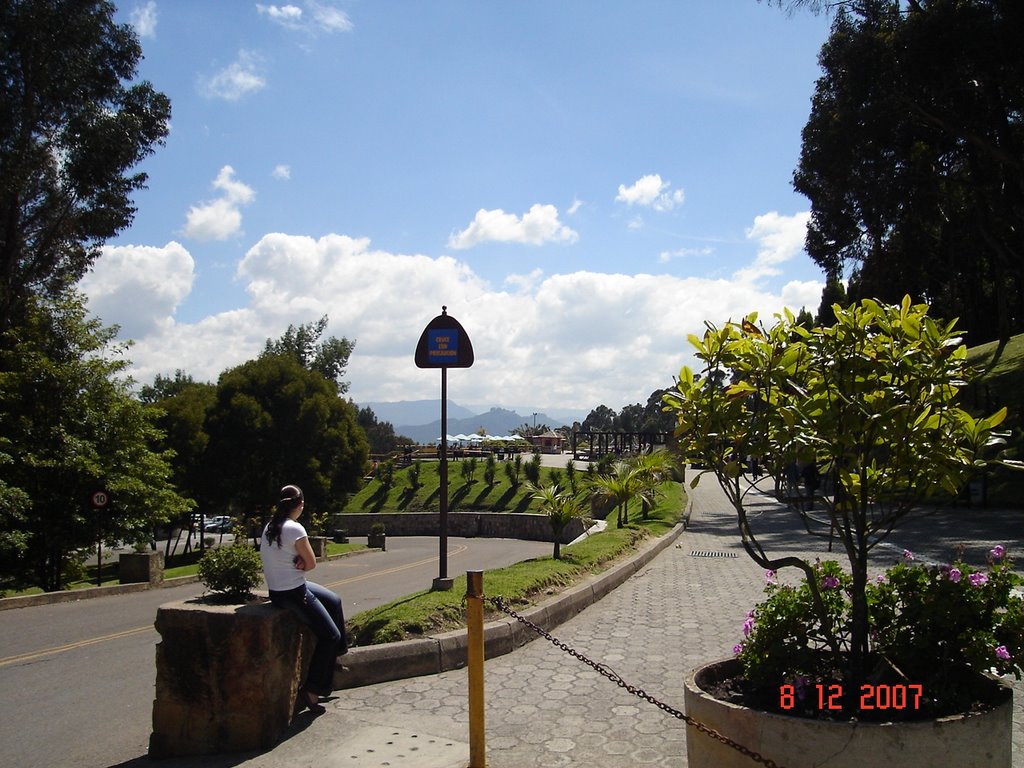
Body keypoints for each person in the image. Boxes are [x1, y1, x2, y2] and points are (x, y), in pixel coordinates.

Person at [260, 484, 347, 714]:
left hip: (278, 591)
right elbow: (311, 563)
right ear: (299, 505)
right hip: (295, 592)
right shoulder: (295, 529)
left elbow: (294, 560)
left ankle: (336, 658)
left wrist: (299, 561)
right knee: (330, 635)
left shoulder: (270, 526)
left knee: (334, 600)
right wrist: (301, 561)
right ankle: (312, 690)